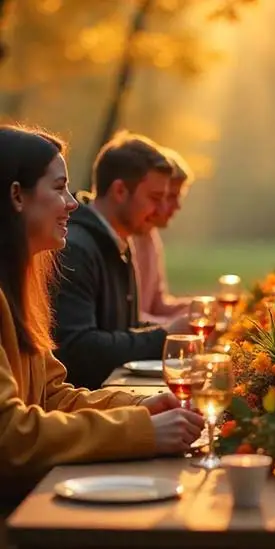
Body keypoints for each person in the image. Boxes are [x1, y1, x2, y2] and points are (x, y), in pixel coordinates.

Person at [0, 125, 203, 508]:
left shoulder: (20, 288)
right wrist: (141, 430)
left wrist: (136, 405)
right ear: (16, 196)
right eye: (59, 188)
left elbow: (51, 395)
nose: (73, 203)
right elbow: (10, 435)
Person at [52, 131, 187, 390]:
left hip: (111, 400)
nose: (161, 211)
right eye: (155, 198)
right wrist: (166, 336)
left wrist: (176, 330)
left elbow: (122, 330)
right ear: (120, 191)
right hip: (82, 412)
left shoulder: (118, 243)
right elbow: (78, 348)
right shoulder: (77, 249)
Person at [131, 147, 193, 324]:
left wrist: (194, 307)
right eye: (171, 196)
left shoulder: (150, 236)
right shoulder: (126, 238)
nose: (178, 206)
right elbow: (129, 318)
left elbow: (157, 303)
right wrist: (177, 325)